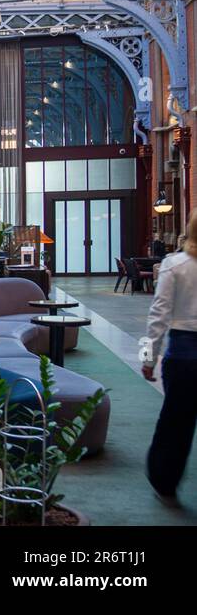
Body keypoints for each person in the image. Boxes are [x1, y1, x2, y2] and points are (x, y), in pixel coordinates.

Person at [143, 209, 197, 507]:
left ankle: (165, 481)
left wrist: (148, 358)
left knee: (175, 421)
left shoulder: (174, 265)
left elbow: (157, 316)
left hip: (183, 353)